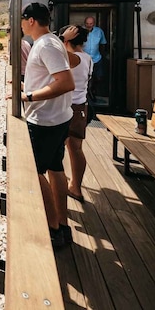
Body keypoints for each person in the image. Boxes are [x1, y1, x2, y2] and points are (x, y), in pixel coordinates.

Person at [19, 3, 75, 249]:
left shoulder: (46, 44)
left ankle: (52, 229)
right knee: (55, 168)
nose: (20, 24)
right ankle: (62, 224)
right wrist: (25, 89)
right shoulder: (50, 43)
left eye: (22, 20)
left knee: (34, 172)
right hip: (58, 118)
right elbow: (56, 74)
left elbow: (66, 83)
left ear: (31, 20)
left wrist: (28, 97)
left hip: (45, 121)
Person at [59, 25, 93, 202]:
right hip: (80, 108)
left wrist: (61, 38)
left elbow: (53, 52)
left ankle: (60, 187)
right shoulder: (87, 58)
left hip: (66, 108)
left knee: (56, 149)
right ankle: (76, 187)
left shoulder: (74, 58)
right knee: (76, 149)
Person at [83, 16, 107, 100]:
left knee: (98, 77)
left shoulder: (99, 31)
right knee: (86, 78)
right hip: (84, 59)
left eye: (91, 24)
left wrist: (103, 56)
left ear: (94, 23)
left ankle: (93, 90)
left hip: (97, 58)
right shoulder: (81, 31)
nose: (89, 25)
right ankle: (87, 94)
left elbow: (103, 44)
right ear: (84, 23)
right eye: (87, 24)